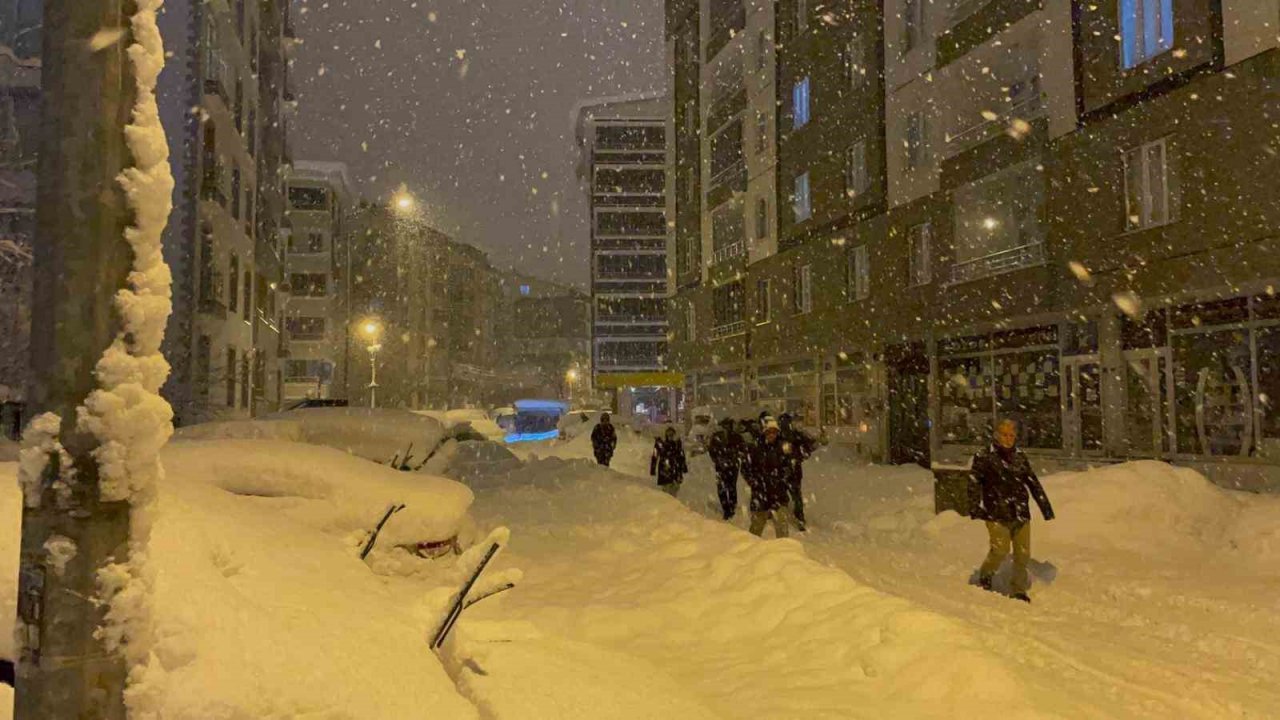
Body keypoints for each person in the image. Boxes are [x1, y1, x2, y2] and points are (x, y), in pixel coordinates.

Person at [969, 419, 1055, 603]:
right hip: (996, 512)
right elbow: (974, 483)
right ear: (997, 435)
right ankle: (986, 574)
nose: (1008, 439)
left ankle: (1018, 589)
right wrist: (975, 507)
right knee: (1000, 550)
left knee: (1022, 554)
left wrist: (1045, 508)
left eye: (1012, 435)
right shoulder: (984, 456)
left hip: (1020, 511)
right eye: (1004, 435)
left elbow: (1032, 482)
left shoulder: (1020, 456)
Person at [746, 418, 793, 538]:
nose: (772, 435)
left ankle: (784, 553)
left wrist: (783, 479)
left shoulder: (783, 447)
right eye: (769, 432)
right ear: (765, 432)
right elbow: (747, 468)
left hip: (779, 494)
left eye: (774, 432)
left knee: (782, 530)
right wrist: (754, 482)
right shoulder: (756, 447)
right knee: (755, 530)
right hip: (761, 493)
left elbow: (789, 467)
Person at [778, 413, 815, 531]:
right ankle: (798, 518)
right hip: (789, 470)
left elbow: (808, 445)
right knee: (794, 495)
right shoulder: (792, 435)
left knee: (789, 495)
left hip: (789, 470)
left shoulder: (788, 436)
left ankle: (796, 517)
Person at [707, 418, 744, 520]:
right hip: (721, 466)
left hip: (732, 466)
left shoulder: (736, 437)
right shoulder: (717, 436)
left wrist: (735, 456)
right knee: (722, 488)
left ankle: (731, 508)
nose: (727, 428)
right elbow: (711, 450)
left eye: (728, 425)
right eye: (725, 425)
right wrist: (718, 460)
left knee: (731, 486)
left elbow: (742, 449)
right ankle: (727, 509)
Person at [650, 426, 689, 497]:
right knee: (668, 490)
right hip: (667, 471)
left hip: (672, 471)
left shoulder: (676, 444)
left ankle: (671, 502)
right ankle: (670, 502)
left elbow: (681, 457)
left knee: (672, 490)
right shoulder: (663, 444)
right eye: (669, 434)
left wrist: (683, 468)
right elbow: (655, 456)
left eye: (672, 434)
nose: (671, 436)